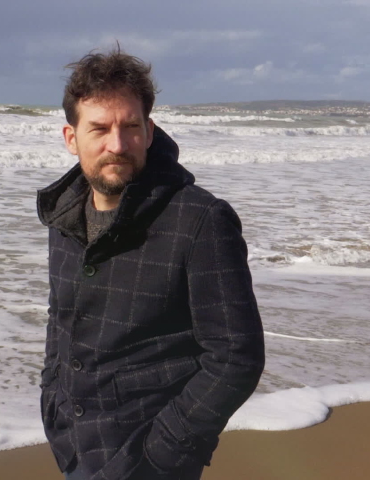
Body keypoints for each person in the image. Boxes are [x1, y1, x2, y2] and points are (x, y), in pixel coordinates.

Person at [36, 47, 265, 480]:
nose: (117, 145)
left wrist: (165, 453)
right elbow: (61, 318)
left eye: (131, 127)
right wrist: (53, 399)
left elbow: (237, 355)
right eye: (100, 129)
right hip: (75, 446)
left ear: (150, 131)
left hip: (150, 459)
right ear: (71, 138)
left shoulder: (199, 221)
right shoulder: (63, 217)